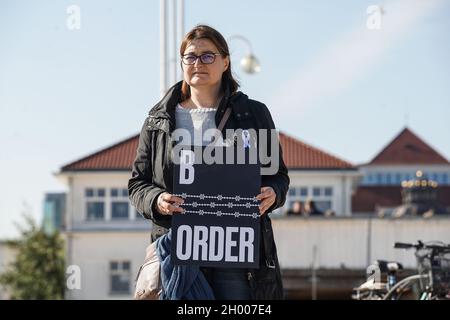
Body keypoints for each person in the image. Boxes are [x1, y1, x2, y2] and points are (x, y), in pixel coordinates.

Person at [128, 25, 290, 300]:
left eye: (207, 56)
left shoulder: (253, 114)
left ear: (225, 62)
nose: (198, 63)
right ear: (182, 64)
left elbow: (278, 177)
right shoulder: (158, 121)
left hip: (236, 254)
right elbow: (137, 184)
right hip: (179, 250)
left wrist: (272, 194)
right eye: (190, 57)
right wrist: (157, 199)